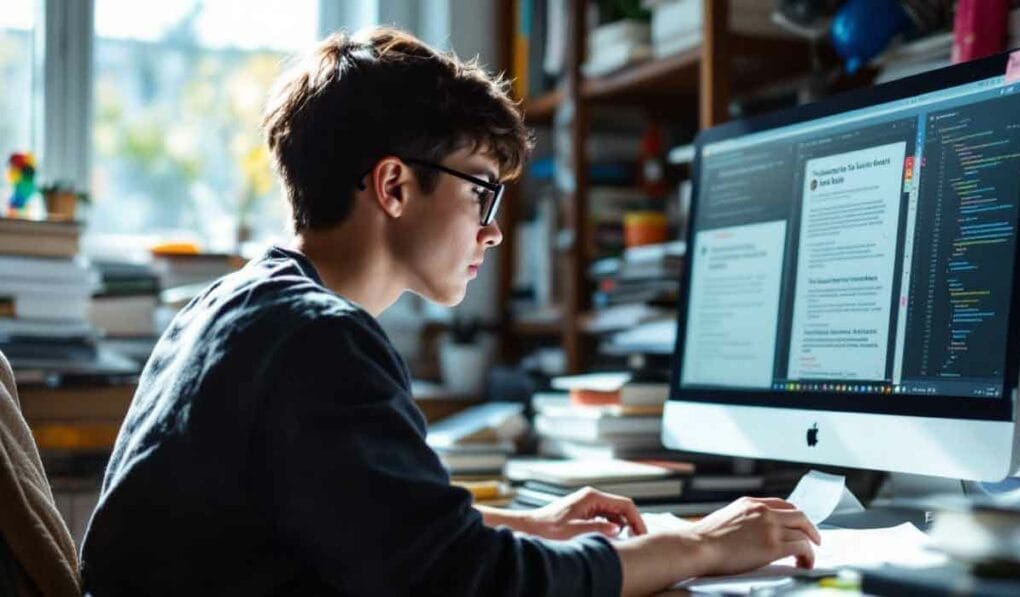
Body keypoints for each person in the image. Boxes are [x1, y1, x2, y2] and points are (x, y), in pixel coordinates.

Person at [80, 27, 820, 596]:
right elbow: (468, 582)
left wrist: (527, 523)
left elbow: (362, 523)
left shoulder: (235, 307)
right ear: (394, 186)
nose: (494, 229)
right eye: (481, 190)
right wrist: (701, 544)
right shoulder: (319, 339)